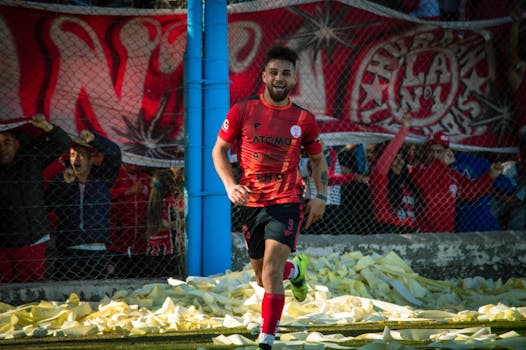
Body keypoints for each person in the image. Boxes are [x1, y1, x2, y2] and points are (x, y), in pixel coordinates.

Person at [211, 46, 328, 350]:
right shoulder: (242, 111)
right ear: (263, 76)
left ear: (294, 79)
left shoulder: (303, 119)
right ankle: (297, 271)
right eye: (274, 72)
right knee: (263, 277)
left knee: (272, 270)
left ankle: (267, 337)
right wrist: (229, 185)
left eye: (286, 73)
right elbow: (218, 151)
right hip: (251, 202)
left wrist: (321, 196)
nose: (279, 78)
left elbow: (318, 161)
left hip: (287, 201)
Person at [0, 114, 71, 283]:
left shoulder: (31, 160)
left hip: (31, 238)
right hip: (3, 241)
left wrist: (46, 127)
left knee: (32, 286)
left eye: (6, 142)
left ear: (17, 144)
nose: (2, 148)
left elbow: (62, 143)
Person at [45, 130, 121, 280]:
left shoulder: (103, 179)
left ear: (90, 160)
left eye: (80, 155)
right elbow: (49, 205)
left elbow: (115, 154)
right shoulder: (62, 180)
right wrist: (63, 184)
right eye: (73, 155)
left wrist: (94, 139)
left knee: (98, 296)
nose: (76, 159)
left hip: (97, 250)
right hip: (68, 251)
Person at [410, 132, 503, 233]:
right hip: (424, 233)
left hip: (447, 233)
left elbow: (469, 191)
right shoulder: (419, 170)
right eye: (431, 151)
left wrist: (490, 176)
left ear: (447, 152)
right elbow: (427, 181)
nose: (435, 155)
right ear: (425, 152)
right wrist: (442, 164)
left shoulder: (452, 173)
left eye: (439, 151)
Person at [300, 144, 368, 234]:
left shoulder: (308, 154)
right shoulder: (328, 152)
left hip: (313, 201)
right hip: (328, 202)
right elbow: (328, 179)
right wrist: (353, 177)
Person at [369, 114, 420, 233]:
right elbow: (387, 156)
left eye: (401, 158)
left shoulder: (408, 181)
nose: (399, 162)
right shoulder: (380, 178)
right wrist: (404, 130)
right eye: (394, 158)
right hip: (387, 229)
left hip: (411, 230)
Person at [106, 162, 151, 278]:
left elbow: (156, 196)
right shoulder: (113, 176)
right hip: (117, 241)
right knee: (116, 275)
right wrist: (126, 192)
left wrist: (144, 190)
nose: (134, 164)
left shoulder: (147, 179)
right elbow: (103, 195)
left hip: (141, 242)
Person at [143, 168, 186, 277]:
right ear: (171, 186)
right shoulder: (169, 203)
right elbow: (164, 225)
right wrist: (184, 221)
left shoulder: (151, 201)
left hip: (152, 251)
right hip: (168, 251)